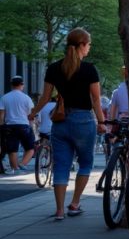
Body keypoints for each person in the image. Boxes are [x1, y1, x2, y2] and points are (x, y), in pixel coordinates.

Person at [27, 28, 106, 220]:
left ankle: (59, 210)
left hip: (60, 122)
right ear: (82, 45)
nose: (89, 48)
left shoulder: (54, 68)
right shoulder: (89, 69)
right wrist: (102, 122)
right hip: (83, 121)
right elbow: (96, 100)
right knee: (85, 163)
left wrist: (33, 113)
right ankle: (75, 203)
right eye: (88, 44)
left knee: (61, 165)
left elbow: (46, 97)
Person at [1, 76, 36, 171]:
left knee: (12, 150)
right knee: (30, 148)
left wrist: (2, 127)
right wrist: (31, 126)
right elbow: (31, 115)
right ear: (22, 85)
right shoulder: (27, 98)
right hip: (24, 125)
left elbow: (1, 115)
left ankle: (15, 169)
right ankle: (22, 163)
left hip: (9, 126)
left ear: (11, 85)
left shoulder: (4, 98)